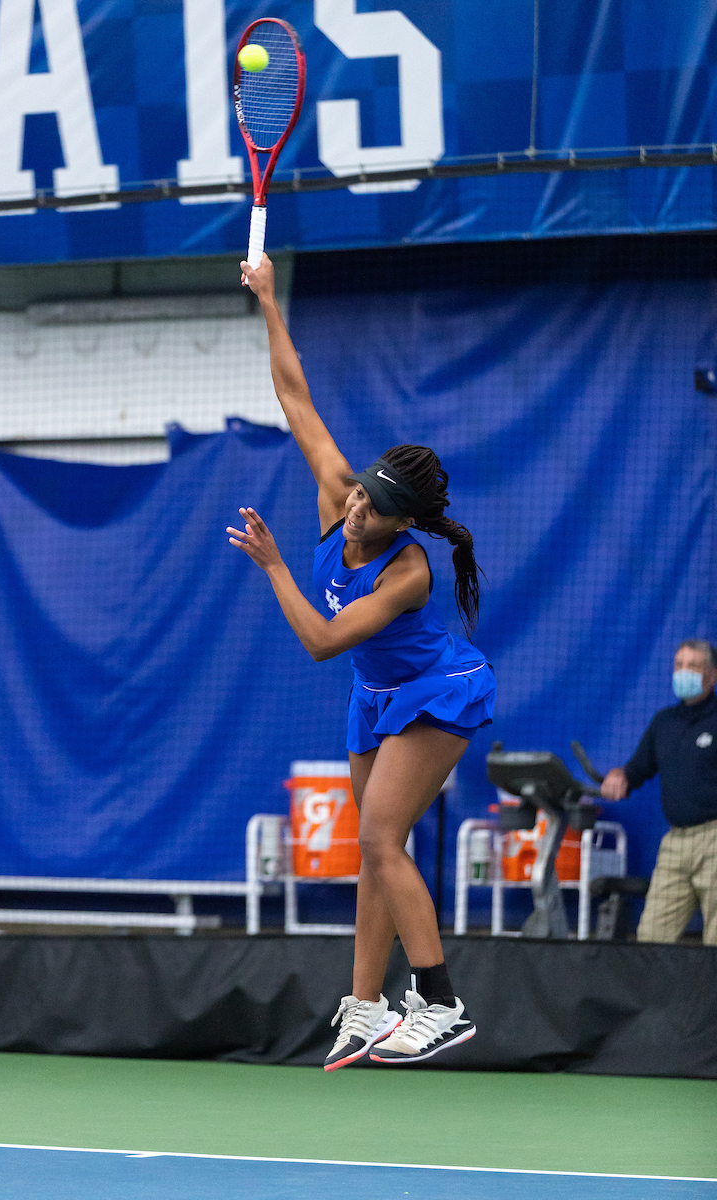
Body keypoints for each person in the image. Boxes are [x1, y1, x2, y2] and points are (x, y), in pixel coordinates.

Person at [227, 254, 496, 1069]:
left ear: (401, 521)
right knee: (375, 849)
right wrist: (270, 301)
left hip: (436, 692)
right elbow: (294, 395)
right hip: (374, 695)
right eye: (354, 496)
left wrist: (276, 566)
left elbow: (318, 641)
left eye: (371, 509)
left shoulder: (408, 572)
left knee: (382, 838)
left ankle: (442, 1004)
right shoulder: (339, 494)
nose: (352, 511)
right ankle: (365, 1005)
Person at [600, 639, 717, 945]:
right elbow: (636, 770)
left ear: (711, 675)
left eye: (692, 666)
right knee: (652, 939)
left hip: (714, 838)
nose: (683, 672)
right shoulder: (664, 722)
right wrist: (620, 775)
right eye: (678, 665)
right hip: (675, 842)